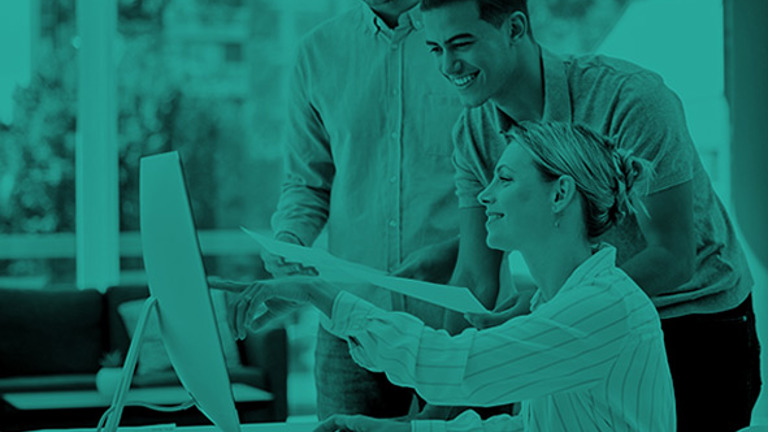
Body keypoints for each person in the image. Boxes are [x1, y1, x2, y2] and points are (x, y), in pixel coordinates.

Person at [411, 1, 760, 430]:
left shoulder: (630, 98)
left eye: (460, 43)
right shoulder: (473, 132)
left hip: (694, 321)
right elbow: (474, 275)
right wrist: (431, 411)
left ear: (515, 28)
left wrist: (545, 314)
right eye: (435, 49)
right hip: (573, 325)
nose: (448, 65)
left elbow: (672, 256)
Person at [217, 121, 676, 431]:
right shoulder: (566, 302)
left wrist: (318, 292)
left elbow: (460, 367)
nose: (486, 196)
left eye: (505, 180)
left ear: (560, 194)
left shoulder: (601, 308)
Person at [235, 0, 467, 421]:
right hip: (349, 323)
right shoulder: (317, 51)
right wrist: (289, 239)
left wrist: (461, 251)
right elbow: (307, 183)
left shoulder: (464, 38)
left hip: (456, 320)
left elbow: (505, 180)